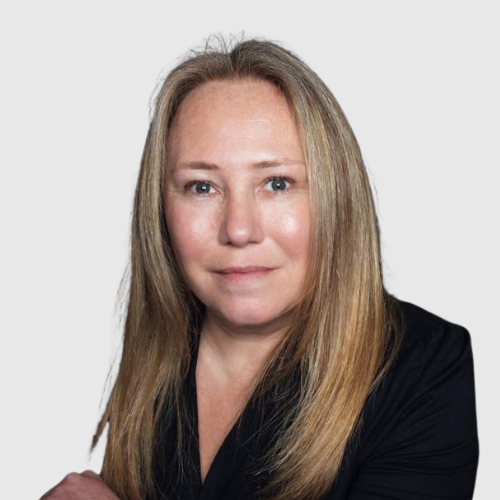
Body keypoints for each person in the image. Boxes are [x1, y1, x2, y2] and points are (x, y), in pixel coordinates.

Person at [40, 36, 479, 500]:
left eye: (277, 183)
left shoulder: (422, 365)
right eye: (202, 187)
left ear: (336, 196)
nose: (238, 229)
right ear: (160, 208)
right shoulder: (161, 351)